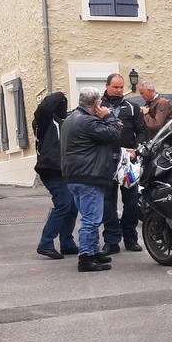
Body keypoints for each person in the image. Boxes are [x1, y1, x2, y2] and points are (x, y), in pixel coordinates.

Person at [61, 88, 123, 273]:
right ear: (97, 104)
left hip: (75, 175)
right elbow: (114, 134)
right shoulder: (88, 121)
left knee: (90, 217)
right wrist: (108, 117)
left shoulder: (71, 118)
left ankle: (94, 252)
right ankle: (86, 257)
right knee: (91, 219)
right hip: (89, 176)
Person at [99, 73, 147, 254]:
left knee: (132, 202)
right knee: (107, 203)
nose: (119, 90)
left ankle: (130, 238)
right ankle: (111, 241)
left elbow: (142, 131)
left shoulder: (132, 107)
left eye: (121, 87)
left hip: (127, 161)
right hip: (105, 161)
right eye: (115, 87)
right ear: (107, 86)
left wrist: (136, 149)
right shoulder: (98, 106)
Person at [32, 92, 80, 260]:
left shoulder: (63, 122)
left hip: (64, 169)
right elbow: (44, 108)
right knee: (63, 204)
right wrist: (59, 94)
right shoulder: (43, 121)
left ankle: (67, 242)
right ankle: (45, 244)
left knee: (72, 206)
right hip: (50, 169)